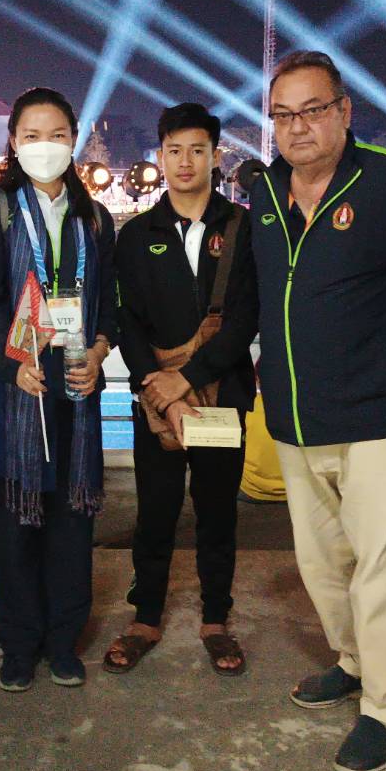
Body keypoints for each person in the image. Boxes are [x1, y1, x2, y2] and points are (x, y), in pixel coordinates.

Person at [249, 50, 386, 771]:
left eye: (312, 110)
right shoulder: (264, 193)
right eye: (283, 114)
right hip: (296, 420)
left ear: (343, 111)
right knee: (322, 564)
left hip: (378, 417)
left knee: (385, 569)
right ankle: (355, 661)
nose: (297, 127)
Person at [0, 87, 117, 692]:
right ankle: (19, 643)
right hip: (18, 388)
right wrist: (13, 363)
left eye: (57, 135)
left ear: (73, 140)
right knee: (15, 524)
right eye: (32, 135)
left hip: (77, 381)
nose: (45, 146)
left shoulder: (95, 217)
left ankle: (64, 641)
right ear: (14, 141)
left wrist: (99, 351)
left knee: (71, 522)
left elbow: (111, 302)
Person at [102, 102, 258, 677]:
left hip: (221, 400)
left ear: (216, 157)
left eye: (197, 150)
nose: (185, 161)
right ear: (160, 156)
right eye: (174, 150)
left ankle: (216, 619)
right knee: (156, 511)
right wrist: (161, 391)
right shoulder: (136, 235)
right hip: (156, 404)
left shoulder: (241, 229)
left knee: (217, 512)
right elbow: (127, 321)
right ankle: (145, 617)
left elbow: (246, 318)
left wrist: (186, 380)